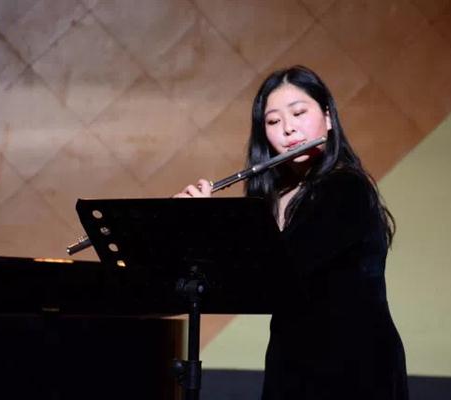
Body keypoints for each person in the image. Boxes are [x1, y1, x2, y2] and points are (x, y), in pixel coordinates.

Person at [174, 66, 408, 399]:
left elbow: (279, 270)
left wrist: (209, 221)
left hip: (353, 366)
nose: (288, 128)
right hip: (294, 358)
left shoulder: (345, 187)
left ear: (328, 118)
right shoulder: (275, 197)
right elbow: (245, 280)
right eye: (273, 121)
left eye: (299, 113)